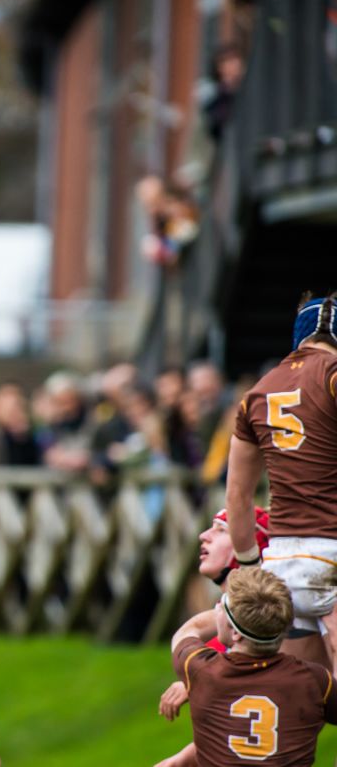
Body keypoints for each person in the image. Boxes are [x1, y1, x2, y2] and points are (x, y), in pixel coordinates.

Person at [225, 292, 337, 668]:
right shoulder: (332, 375)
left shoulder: (256, 393)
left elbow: (237, 495)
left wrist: (250, 566)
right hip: (333, 556)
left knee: (304, 701)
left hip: (283, 565)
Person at [169, 567, 337, 766]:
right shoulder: (314, 681)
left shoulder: (201, 670)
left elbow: (190, 630)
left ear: (235, 633)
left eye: (221, 606)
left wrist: (240, 613)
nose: (217, 610)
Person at [154, 507, 271, 767]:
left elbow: (262, 723)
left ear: (251, 545)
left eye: (220, 530)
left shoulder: (270, 629)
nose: (203, 536)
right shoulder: (230, 631)